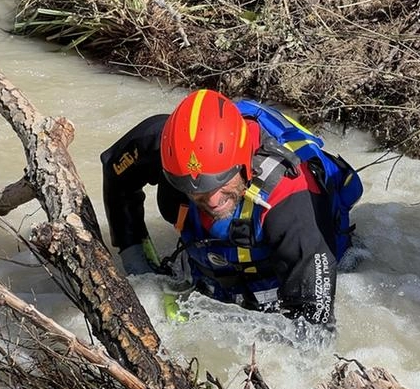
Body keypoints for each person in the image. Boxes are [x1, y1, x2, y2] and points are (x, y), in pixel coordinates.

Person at [100, 89, 363, 327]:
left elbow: (315, 328)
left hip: (307, 253)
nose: (212, 201)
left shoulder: (292, 200)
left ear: (244, 164)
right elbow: (116, 171)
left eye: (222, 184)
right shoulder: (164, 145)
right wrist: (134, 257)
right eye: (196, 190)